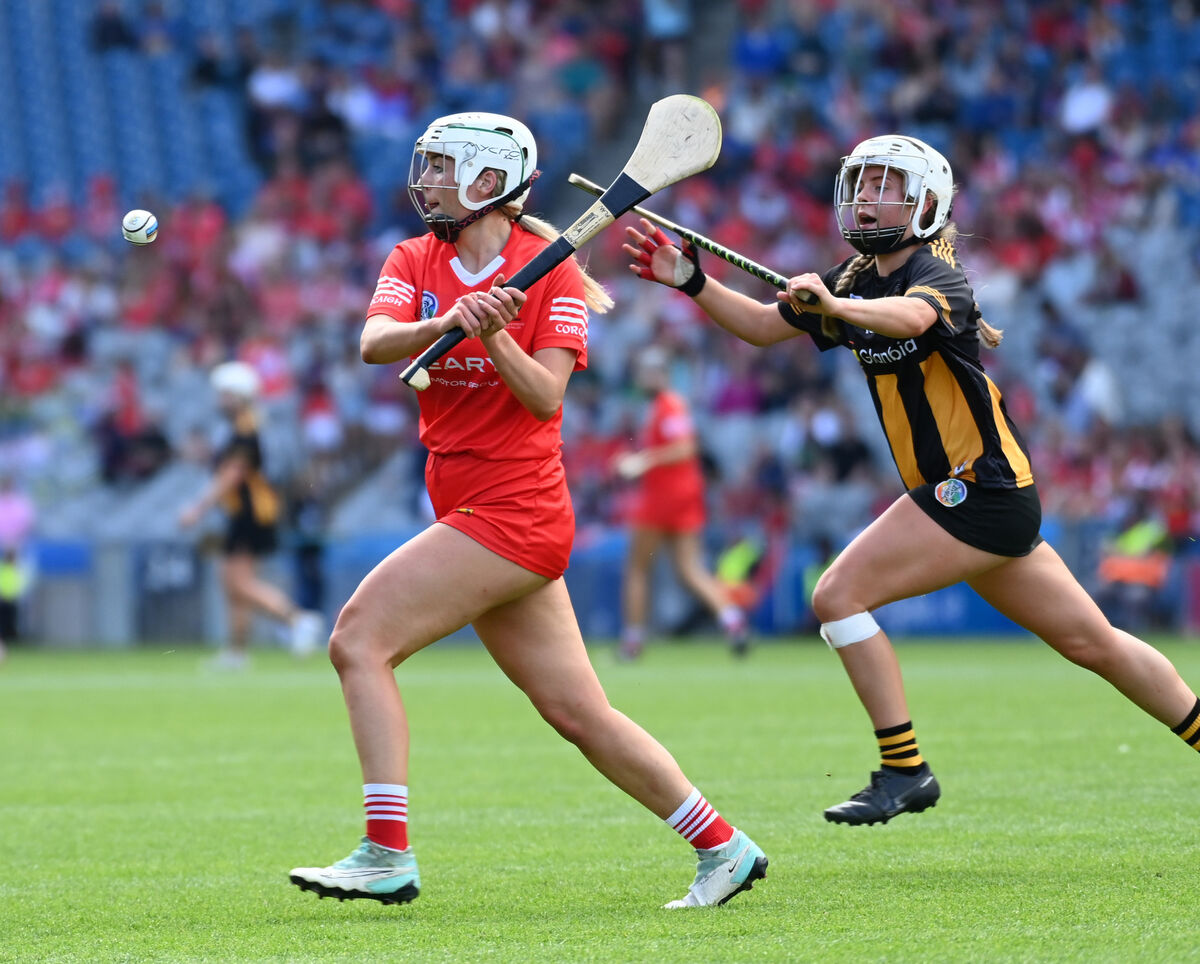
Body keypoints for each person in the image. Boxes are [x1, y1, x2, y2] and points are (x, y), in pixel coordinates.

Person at [624, 133, 1200, 826]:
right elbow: (757, 326)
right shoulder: (851, 279)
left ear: (926, 203)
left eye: (883, 187)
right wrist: (691, 281)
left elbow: (913, 316)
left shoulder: (938, 276)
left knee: (837, 595)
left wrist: (837, 310)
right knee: (1094, 645)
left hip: (977, 489)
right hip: (976, 500)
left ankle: (905, 770)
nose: (866, 200)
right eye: (860, 185)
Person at [288, 112, 767, 909]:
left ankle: (386, 852)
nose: (429, 180)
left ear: (490, 183)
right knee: (579, 713)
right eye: (429, 164)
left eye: (445, 167)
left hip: (515, 512)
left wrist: (497, 337)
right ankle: (725, 847)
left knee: (358, 641)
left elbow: (545, 394)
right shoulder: (416, 257)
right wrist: (449, 321)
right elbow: (374, 341)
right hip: (470, 502)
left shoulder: (550, 275)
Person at [179, 362, 324, 668]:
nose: (220, 401)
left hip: (250, 513)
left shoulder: (246, 428)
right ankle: (236, 652)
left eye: (225, 394)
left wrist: (197, 508)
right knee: (232, 582)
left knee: (239, 583)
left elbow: (232, 475)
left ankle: (297, 619)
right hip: (244, 513)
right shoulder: (243, 427)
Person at [614, 346, 749, 659]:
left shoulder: (668, 405)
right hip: (685, 496)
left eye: (650, 372)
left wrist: (642, 462)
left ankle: (632, 642)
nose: (645, 378)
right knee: (690, 569)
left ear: (660, 375)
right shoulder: (663, 406)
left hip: (664, 496)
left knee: (637, 568)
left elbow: (684, 448)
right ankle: (733, 622)